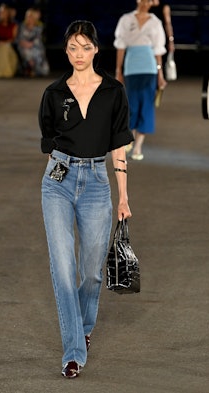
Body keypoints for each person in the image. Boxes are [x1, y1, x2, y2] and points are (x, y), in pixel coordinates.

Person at [38, 20, 134, 378]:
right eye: (72, 48)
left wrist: (123, 196)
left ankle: (84, 325)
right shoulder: (53, 93)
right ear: (66, 50)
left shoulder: (113, 91)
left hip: (96, 182)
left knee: (92, 271)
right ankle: (74, 351)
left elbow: (119, 145)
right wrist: (59, 173)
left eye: (85, 47)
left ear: (96, 48)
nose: (79, 54)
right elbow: (50, 144)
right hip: (58, 183)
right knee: (63, 268)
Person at [114, 0, 167, 160]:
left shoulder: (155, 22)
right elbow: (120, 46)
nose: (146, 2)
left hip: (149, 68)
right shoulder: (126, 19)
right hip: (131, 67)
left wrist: (160, 74)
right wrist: (118, 70)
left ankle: (138, 146)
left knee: (147, 106)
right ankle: (129, 138)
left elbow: (158, 49)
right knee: (131, 105)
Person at [17, 7, 49, 77]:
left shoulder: (39, 27)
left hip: (35, 46)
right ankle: (29, 68)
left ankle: (34, 69)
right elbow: (20, 38)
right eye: (27, 16)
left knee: (36, 53)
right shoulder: (22, 26)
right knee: (26, 51)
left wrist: (30, 44)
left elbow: (38, 39)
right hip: (23, 46)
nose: (29, 18)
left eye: (30, 16)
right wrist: (24, 43)